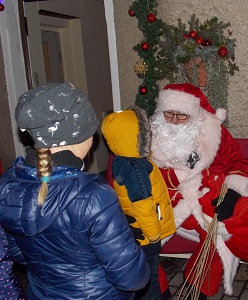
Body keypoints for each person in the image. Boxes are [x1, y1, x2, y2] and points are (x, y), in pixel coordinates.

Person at [0, 83, 149, 299]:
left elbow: (20, 255)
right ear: (83, 135)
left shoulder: (7, 184)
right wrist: (131, 248)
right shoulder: (94, 195)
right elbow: (132, 278)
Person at [149, 83, 248, 298]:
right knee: (137, 239)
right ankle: (157, 291)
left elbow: (238, 162)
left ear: (194, 114)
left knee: (219, 234)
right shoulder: (151, 135)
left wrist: (234, 191)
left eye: (181, 116)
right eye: (168, 113)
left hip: (206, 201)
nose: (173, 120)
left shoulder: (213, 131)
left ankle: (194, 290)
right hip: (167, 204)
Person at [101, 106, 176, 300]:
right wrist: (154, 237)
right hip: (146, 234)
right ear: (135, 137)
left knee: (145, 277)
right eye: (143, 133)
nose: (148, 135)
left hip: (136, 230)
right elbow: (143, 206)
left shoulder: (121, 159)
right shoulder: (136, 169)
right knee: (150, 281)